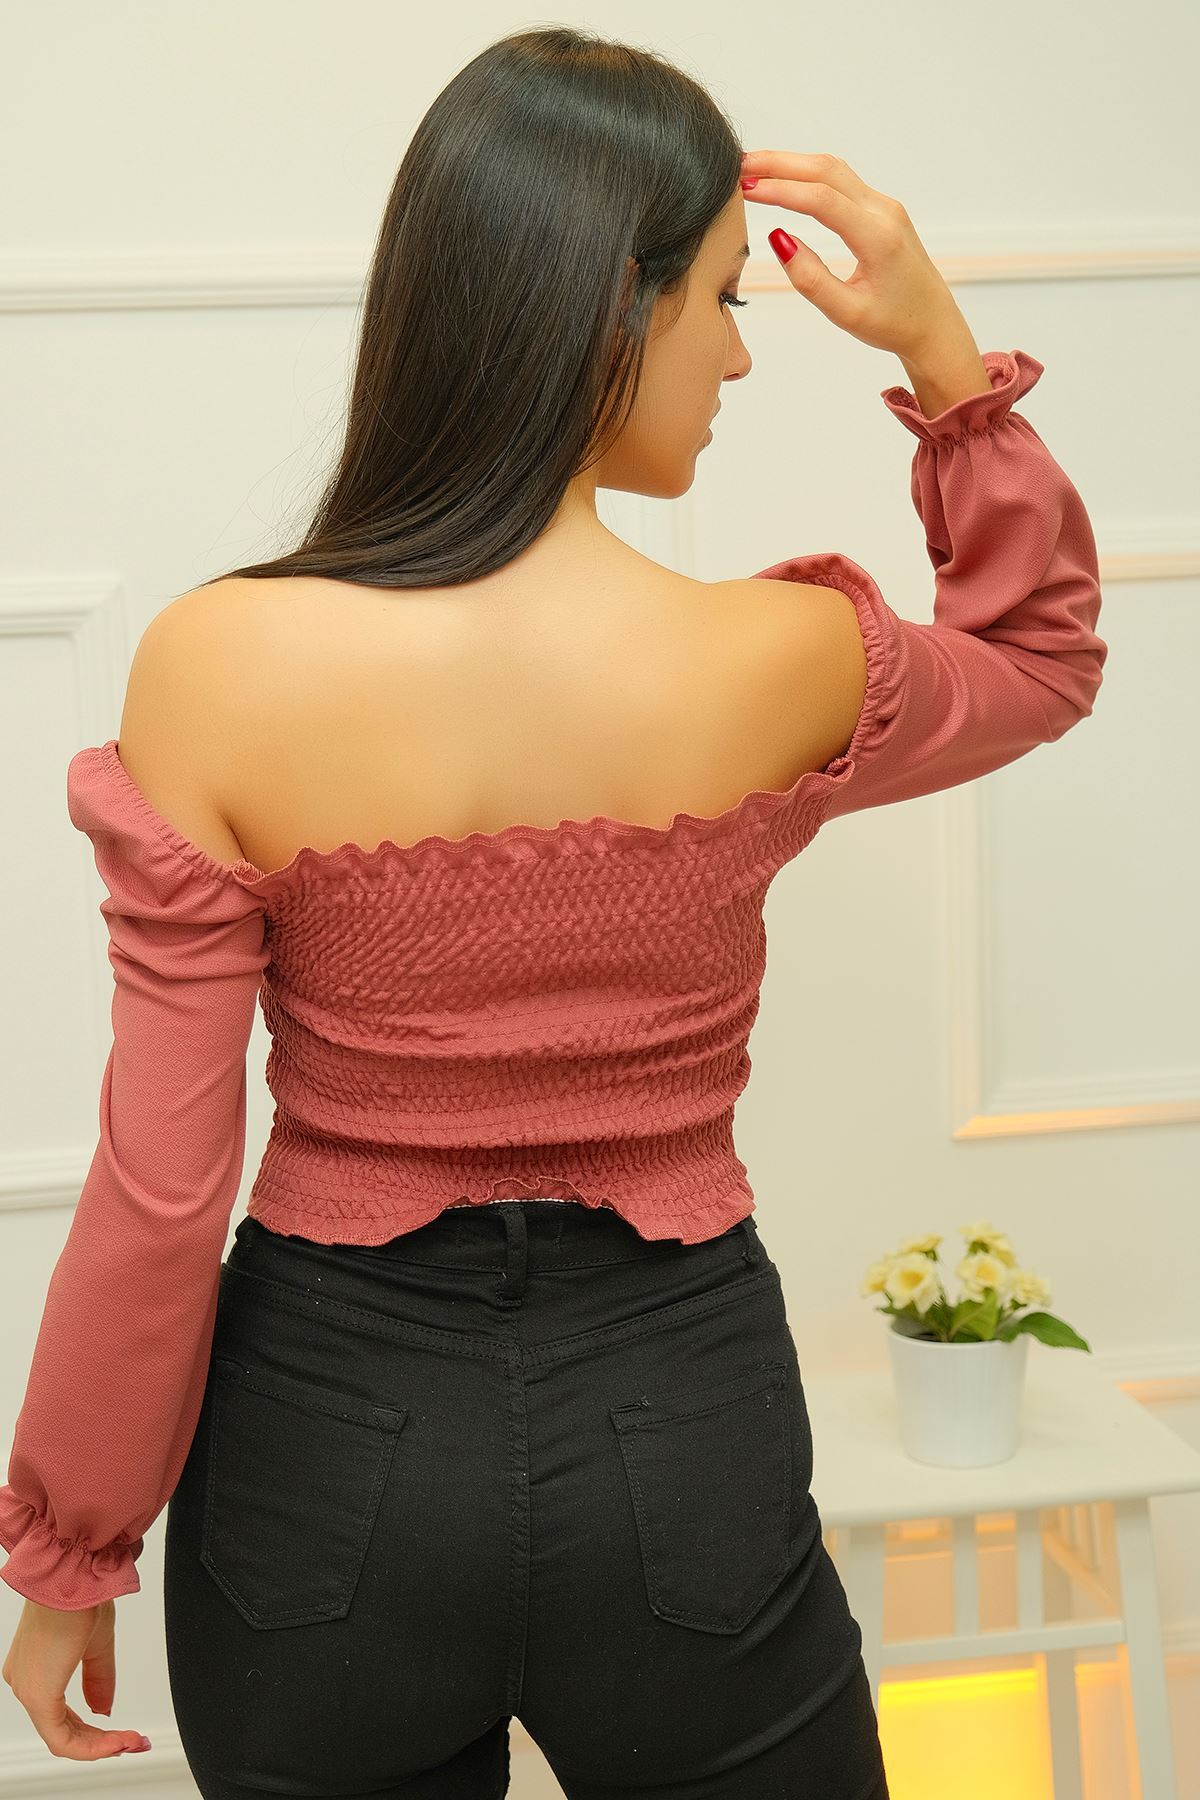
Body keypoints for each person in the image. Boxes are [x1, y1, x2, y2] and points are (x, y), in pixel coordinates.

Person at [0, 25, 1105, 1800]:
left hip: (323, 1461)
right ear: (613, 308)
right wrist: (936, 355)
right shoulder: (782, 659)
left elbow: (161, 1189)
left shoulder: (215, 663)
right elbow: (1042, 655)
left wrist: (71, 1548)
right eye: (724, 299)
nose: (742, 353)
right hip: (681, 1427)